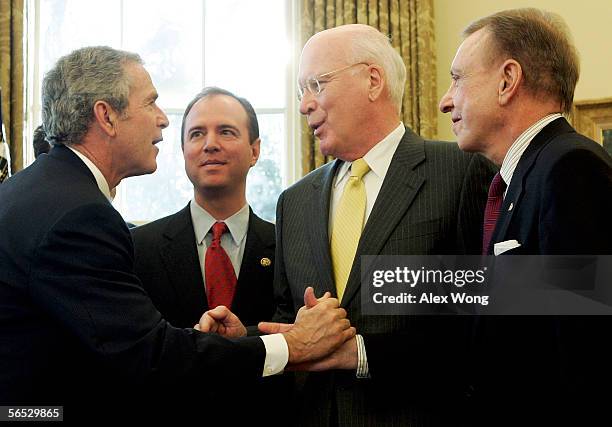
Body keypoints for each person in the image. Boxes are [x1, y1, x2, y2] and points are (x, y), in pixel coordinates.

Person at [0, 46, 354, 421]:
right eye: (150, 103)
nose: (162, 120)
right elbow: (151, 356)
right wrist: (293, 345)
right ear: (106, 116)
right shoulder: (80, 215)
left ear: (254, 151)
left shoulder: (38, 189)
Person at [258, 24, 494, 426]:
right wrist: (244, 339)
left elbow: (488, 311)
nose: (304, 105)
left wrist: (364, 353)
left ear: (372, 80)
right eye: (301, 92)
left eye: (316, 84)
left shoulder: (462, 170)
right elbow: (290, 316)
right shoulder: (292, 202)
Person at [439, 8, 612, 425]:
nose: (447, 100)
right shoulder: (522, 177)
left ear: (507, 80)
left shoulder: (570, 168)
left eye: (458, 78)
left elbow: (586, 353)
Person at [131, 87, 289, 422]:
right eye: (197, 133)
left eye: (227, 132)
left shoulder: (289, 245)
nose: (210, 143)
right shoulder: (138, 247)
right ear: (184, 150)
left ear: (255, 150)